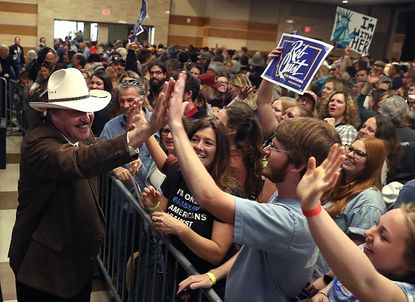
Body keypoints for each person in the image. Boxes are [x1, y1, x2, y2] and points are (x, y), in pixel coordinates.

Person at [168, 70, 342, 302]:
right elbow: (249, 250)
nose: (266, 151)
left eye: (276, 147)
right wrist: (212, 275)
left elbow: (207, 197)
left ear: (298, 165)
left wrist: (177, 126)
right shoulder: (286, 200)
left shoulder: (288, 220)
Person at [8, 68, 167, 301]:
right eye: (76, 111)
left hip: (77, 266)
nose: (87, 117)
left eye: (89, 109)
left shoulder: (80, 132)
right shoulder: (38, 142)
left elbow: (98, 151)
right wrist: (144, 133)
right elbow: (80, 161)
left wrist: (132, 137)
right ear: (53, 113)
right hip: (43, 272)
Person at [296, 145, 415, 302]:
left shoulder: (405, 296)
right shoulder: (370, 256)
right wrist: (326, 291)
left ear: (410, 262)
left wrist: (312, 207)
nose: (367, 233)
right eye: (376, 226)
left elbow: (364, 280)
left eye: (384, 236)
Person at [143, 117, 241, 300]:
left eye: (208, 142)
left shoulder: (227, 191)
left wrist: (181, 229)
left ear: (219, 151)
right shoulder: (177, 174)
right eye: (194, 139)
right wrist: (153, 206)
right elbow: (161, 221)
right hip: (176, 274)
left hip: (209, 285)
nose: (199, 146)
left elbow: (216, 253)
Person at [310, 137, 387, 281]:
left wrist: (327, 280)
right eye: (350, 149)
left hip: (322, 279)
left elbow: (357, 253)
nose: (351, 154)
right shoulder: (336, 182)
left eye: (359, 153)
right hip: (308, 268)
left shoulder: (369, 201)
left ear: (372, 163)